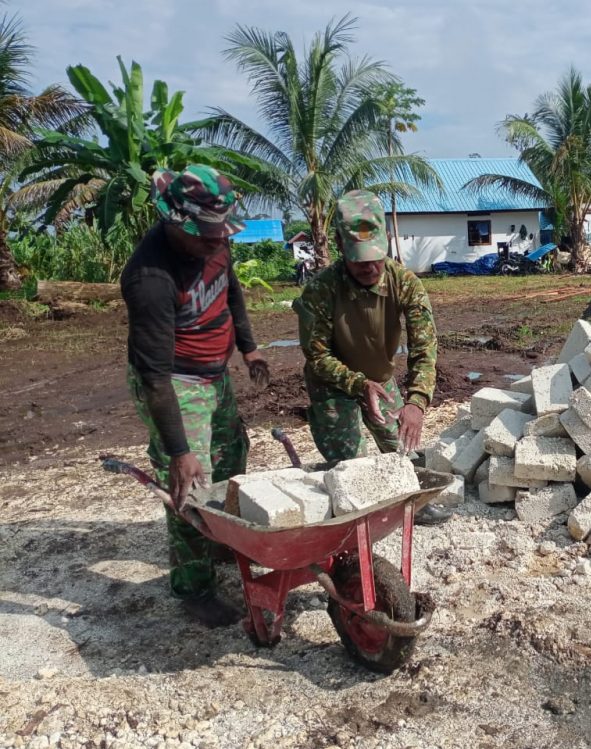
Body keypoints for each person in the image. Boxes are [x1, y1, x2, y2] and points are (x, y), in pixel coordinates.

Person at [120, 164, 269, 627]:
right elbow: (155, 379)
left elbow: (232, 293)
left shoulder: (214, 242)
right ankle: (193, 587)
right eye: (207, 236)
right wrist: (179, 450)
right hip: (175, 382)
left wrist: (249, 348)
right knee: (191, 484)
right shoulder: (150, 279)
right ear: (175, 223)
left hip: (215, 372)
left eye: (221, 234)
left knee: (231, 459)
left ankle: (221, 542)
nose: (217, 243)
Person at [293, 190, 451, 525]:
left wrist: (416, 402)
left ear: (387, 243)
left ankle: (410, 505)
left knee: (401, 448)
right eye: (358, 259)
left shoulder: (404, 283)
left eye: (375, 258)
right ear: (339, 245)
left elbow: (425, 347)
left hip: (379, 378)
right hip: (333, 384)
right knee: (355, 464)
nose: (369, 267)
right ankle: (361, 518)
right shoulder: (320, 291)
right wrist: (356, 383)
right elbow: (316, 354)